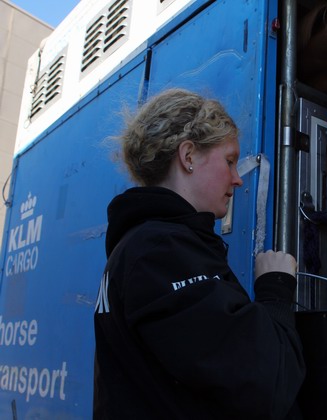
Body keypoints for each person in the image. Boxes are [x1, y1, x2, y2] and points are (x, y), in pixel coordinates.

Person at [93, 88, 305, 419]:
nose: (237, 179)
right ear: (188, 156)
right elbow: (267, 383)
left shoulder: (144, 246)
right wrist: (275, 289)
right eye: (230, 161)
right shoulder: (160, 252)